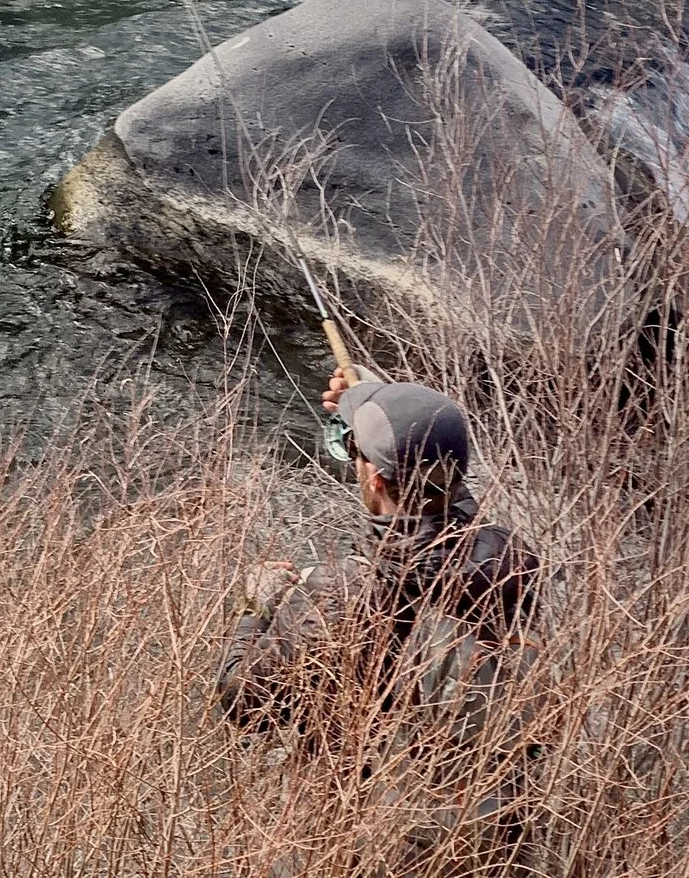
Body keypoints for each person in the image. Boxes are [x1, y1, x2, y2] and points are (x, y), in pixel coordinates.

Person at [219, 371, 542, 866]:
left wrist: (255, 607)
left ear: (373, 477)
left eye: (357, 454)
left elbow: (242, 702)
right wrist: (379, 404)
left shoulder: (344, 594)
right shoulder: (508, 556)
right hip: (490, 828)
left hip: (374, 838)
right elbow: (447, 509)